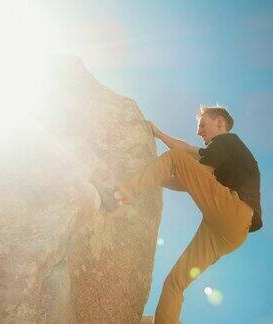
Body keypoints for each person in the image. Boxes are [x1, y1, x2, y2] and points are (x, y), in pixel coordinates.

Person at [92, 106, 262, 324]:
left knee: (175, 158)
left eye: (202, 125)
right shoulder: (222, 151)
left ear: (220, 122)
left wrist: (157, 169)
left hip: (234, 210)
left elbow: (182, 164)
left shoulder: (227, 141)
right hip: (232, 233)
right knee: (174, 284)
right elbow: (189, 154)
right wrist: (159, 138)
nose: (199, 132)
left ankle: (117, 197)